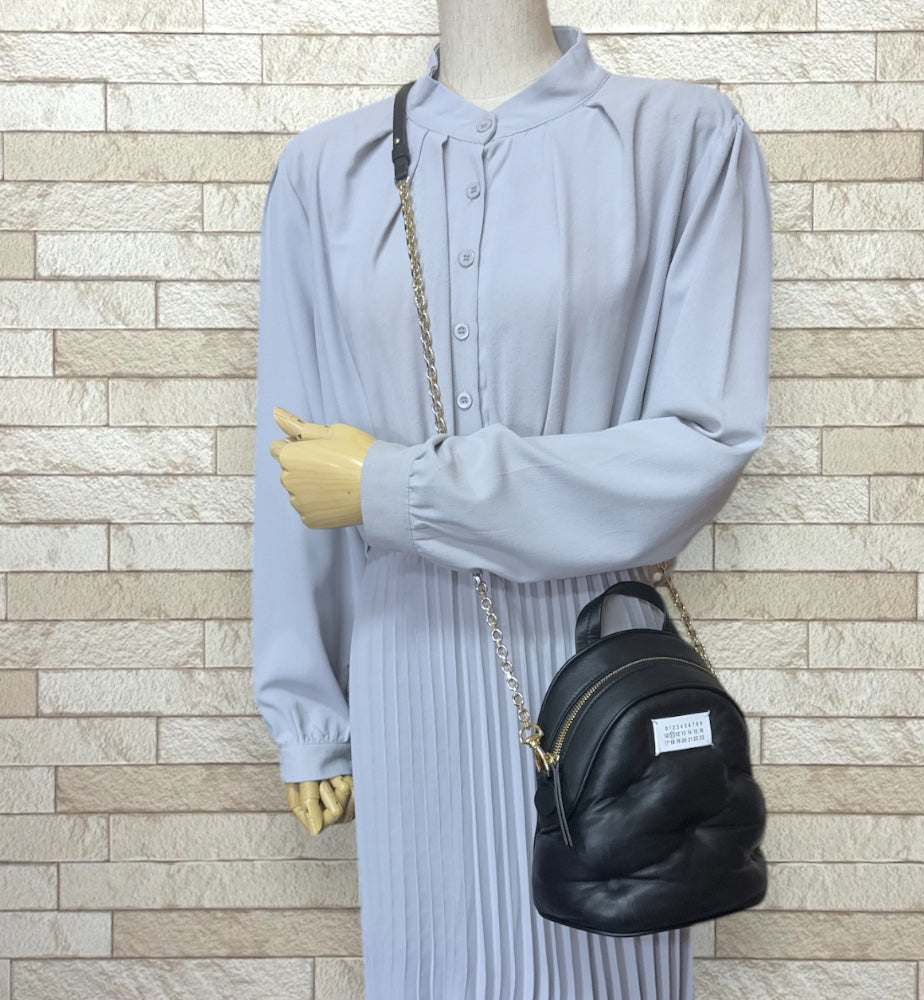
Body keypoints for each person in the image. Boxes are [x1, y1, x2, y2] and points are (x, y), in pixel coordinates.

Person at [251, 2, 772, 996]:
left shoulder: (683, 141)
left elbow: (703, 443)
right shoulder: (325, 174)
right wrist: (307, 711)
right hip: (407, 671)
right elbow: (299, 467)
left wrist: (394, 485)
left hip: (600, 672)